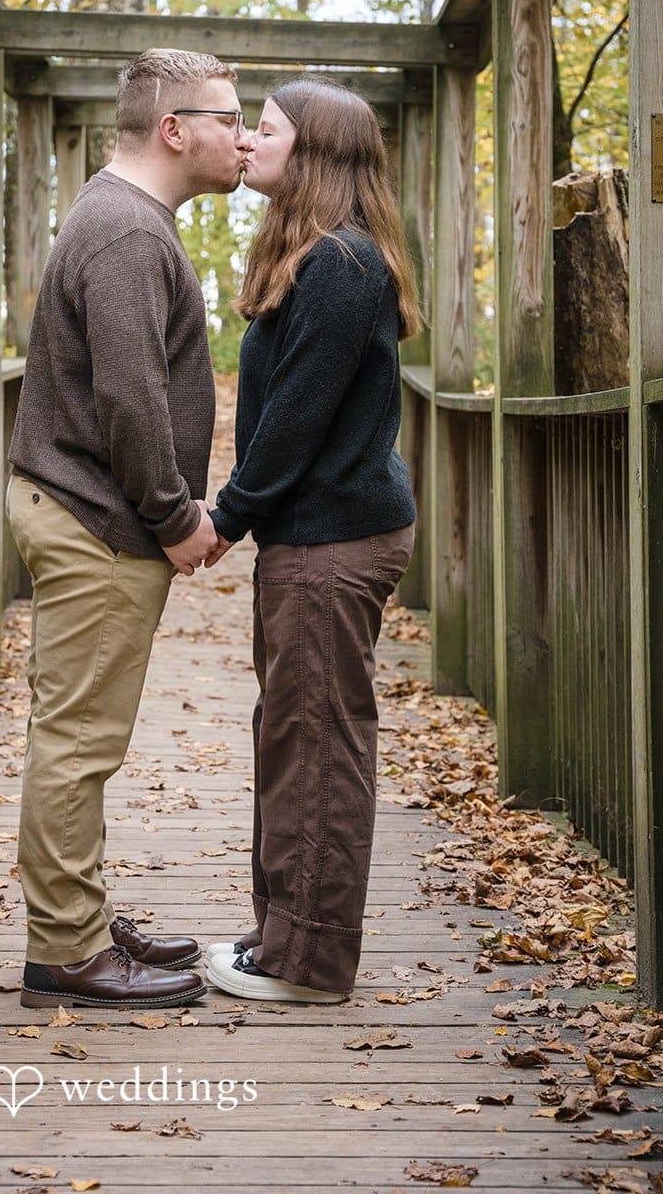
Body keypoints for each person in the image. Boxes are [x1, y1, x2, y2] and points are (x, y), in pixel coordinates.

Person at [5, 48, 252, 1009]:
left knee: (80, 734)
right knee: (77, 741)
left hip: (87, 512)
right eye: (228, 118)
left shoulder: (124, 221)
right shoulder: (125, 234)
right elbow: (130, 397)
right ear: (173, 129)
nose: (242, 135)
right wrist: (175, 516)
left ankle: (79, 917)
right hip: (99, 522)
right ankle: (64, 952)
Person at [201, 78, 421, 1005]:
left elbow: (293, 421)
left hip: (331, 543)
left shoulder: (342, 264)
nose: (247, 144)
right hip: (313, 537)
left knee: (319, 741)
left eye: (266, 131)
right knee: (293, 732)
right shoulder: (319, 257)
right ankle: (280, 935)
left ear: (317, 156)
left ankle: (310, 962)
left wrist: (224, 516)